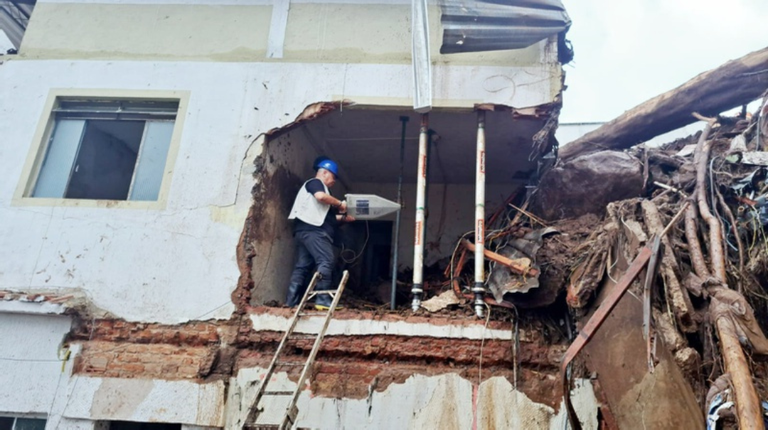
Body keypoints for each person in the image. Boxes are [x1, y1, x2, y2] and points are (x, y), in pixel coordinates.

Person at [286, 158, 355, 309]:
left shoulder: (321, 195)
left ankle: (291, 302)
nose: (334, 181)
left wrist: (344, 218)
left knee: (302, 266)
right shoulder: (315, 183)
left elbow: (328, 219)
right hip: (314, 231)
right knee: (326, 260)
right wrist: (340, 204)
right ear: (324, 173)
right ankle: (322, 299)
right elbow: (321, 196)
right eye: (333, 177)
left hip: (304, 232)